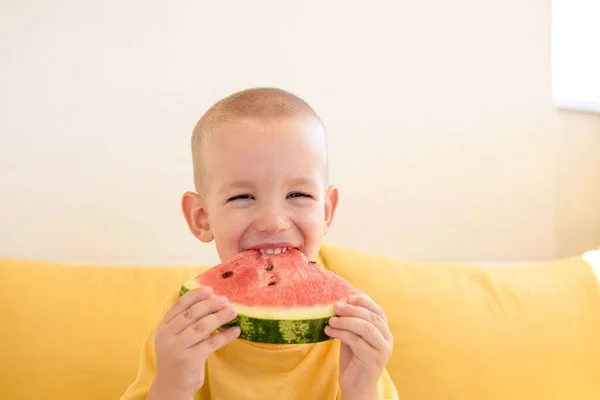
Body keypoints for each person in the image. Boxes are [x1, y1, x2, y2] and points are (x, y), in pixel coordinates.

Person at [120, 87, 399, 400]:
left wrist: (362, 390)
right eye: (242, 197)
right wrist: (173, 385)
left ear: (326, 211)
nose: (273, 221)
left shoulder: (352, 323)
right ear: (201, 217)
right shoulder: (187, 320)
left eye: (298, 195)